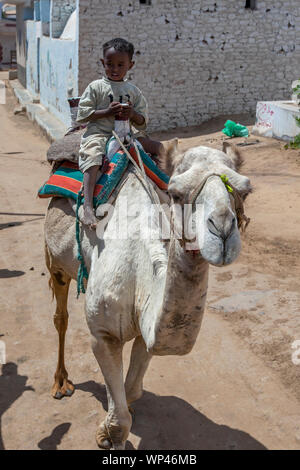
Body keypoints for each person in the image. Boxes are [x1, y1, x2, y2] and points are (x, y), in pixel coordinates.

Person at [76, 37, 165, 228]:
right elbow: (82, 115)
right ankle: (88, 206)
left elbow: (143, 121)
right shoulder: (95, 87)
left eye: (120, 65)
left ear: (130, 65)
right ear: (102, 63)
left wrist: (132, 113)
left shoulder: (133, 91)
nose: (114, 69)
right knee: (93, 156)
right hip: (99, 134)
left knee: (161, 148)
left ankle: (172, 192)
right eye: (110, 64)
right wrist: (107, 112)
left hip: (127, 134)